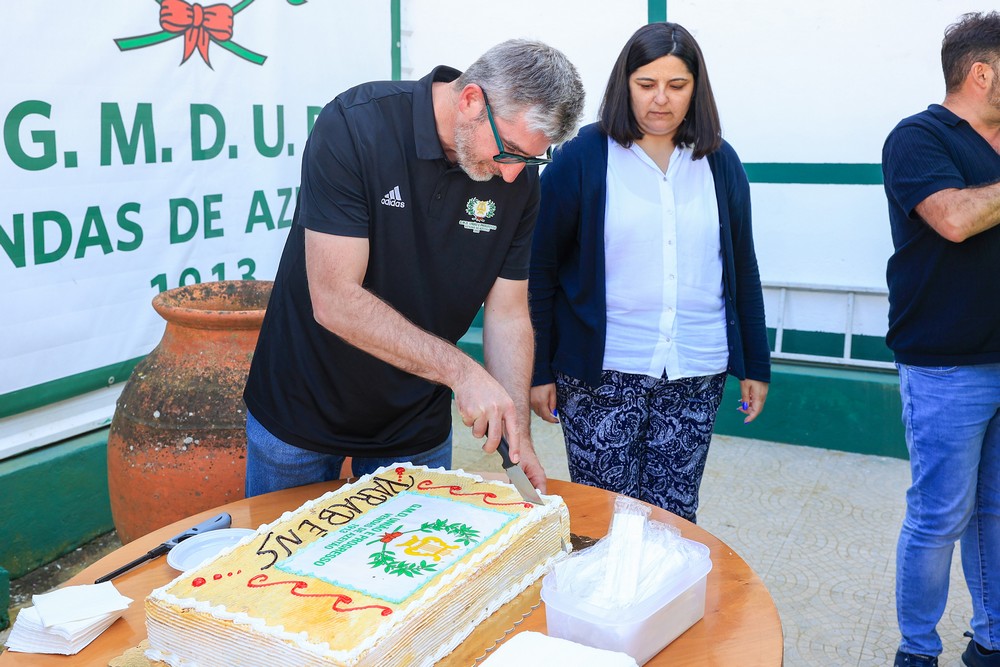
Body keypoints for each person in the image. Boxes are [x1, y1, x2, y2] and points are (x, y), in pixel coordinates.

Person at [242, 39, 585, 497]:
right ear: (470, 100)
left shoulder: (519, 177)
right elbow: (334, 299)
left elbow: (507, 313)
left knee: (405, 565)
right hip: (303, 402)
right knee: (279, 563)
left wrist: (515, 429)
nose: (511, 176)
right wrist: (464, 374)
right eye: (510, 153)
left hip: (413, 422)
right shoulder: (355, 125)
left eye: (530, 159)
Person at [528, 22, 770, 523]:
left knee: (674, 518)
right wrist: (539, 370)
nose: (661, 99)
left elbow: (741, 268)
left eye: (677, 86)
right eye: (647, 84)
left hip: (695, 368)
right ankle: (604, 604)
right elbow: (540, 270)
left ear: (696, 90)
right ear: (625, 84)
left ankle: (669, 604)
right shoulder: (582, 159)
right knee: (605, 518)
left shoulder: (720, 163)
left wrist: (755, 364)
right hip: (602, 372)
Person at [882, 11, 1000, 667]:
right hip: (948, 368)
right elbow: (953, 219)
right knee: (938, 517)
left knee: (996, 513)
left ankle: (991, 641)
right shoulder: (918, 138)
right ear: (983, 72)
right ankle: (917, 651)